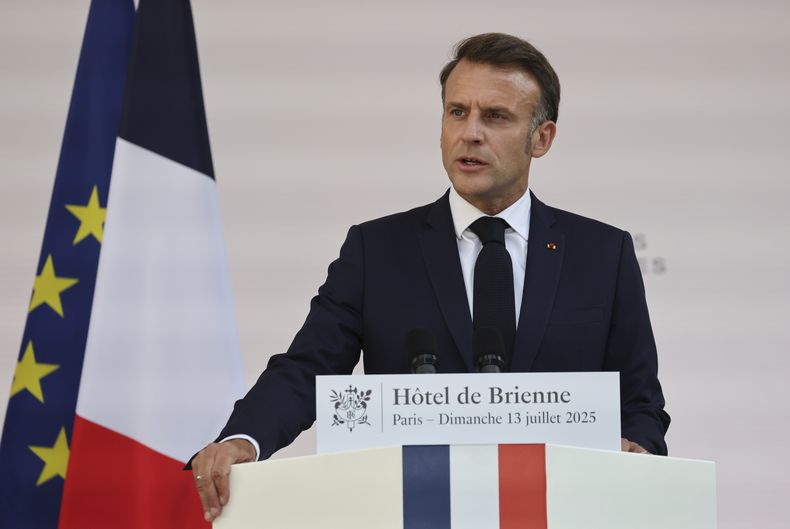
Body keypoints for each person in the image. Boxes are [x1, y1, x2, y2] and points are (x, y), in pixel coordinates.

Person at [191, 32, 670, 522]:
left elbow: (640, 401)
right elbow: (307, 368)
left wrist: (640, 454)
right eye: (457, 112)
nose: (470, 133)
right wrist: (242, 439)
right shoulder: (376, 250)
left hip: (561, 510)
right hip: (413, 510)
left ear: (541, 138)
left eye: (496, 116)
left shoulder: (602, 253)